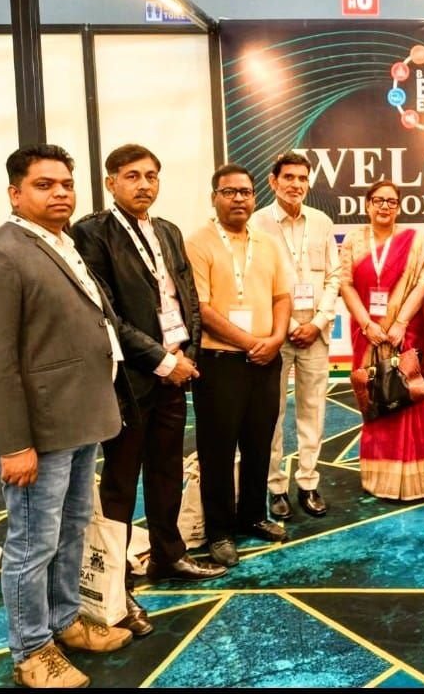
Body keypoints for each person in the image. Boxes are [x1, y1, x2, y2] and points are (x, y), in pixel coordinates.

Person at [0, 144, 132, 688]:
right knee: (32, 545)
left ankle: (65, 620)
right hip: (38, 433)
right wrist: (13, 444)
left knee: (71, 531)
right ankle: (31, 651)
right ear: (15, 193)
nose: (60, 193)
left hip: (80, 420)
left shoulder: (61, 243)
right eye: (44, 184)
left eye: (66, 184)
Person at [71, 144, 227, 638]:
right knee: (120, 482)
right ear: (111, 182)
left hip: (175, 372)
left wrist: (188, 354)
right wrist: (161, 360)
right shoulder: (93, 233)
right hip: (131, 378)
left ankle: (168, 554)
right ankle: (117, 586)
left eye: (152, 176)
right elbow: (105, 312)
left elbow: (187, 299)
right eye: (133, 176)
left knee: (166, 470)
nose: (144, 184)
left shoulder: (168, 231)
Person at [185, 164, 291, 568]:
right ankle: (219, 532)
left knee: (259, 443)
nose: (238, 199)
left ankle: (253, 515)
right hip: (220, 363)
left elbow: (282, 297)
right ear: (214, 197)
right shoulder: (198, 243)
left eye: (245, 192)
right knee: (217, 449)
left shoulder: (267, 243)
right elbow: (201, 307)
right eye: (229, 192)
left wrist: (275, 339)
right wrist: (251, 343)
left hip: (266, 360)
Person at [338, 180, 424, 500]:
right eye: (378, 200)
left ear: (398, 207)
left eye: (391, 201)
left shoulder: (416, 241)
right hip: (367, 335)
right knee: (376, 398)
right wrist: (366, 324)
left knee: (408, 398)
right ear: (367, 204)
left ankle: (417, 478)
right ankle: (380, 479)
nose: (385, 206)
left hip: (405, 334)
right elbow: (345, 285)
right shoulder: (354, 240)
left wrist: (400, 323)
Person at [251, 151, 340, 519]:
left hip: (315, 333)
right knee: (272, 414)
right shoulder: (257, 223)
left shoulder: (321, 222)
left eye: (302, 178)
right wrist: (288, 326)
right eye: (289, 177)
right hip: (276, 334)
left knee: (313, 410)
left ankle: (308, 481)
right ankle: (275, 486)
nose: (296, 185)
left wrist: (317, 323)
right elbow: (257, 281)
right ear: (273, 181)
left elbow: (334, 277)